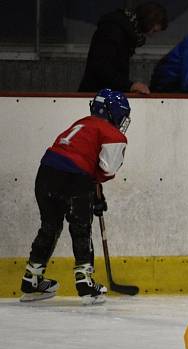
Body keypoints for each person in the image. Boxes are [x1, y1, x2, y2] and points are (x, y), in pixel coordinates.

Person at [19, 89, 131, 305]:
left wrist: (94, 191)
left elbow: (77, 155)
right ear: (114, 112)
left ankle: (31, 280)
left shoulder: (83, 122)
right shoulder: (113, 134)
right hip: (75, 177)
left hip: (46, 171)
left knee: (50, 226)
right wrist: (92, 190)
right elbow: (106, 170)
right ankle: (85, 283)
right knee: (81, 228)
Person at [78, 2, 168, 94]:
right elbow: (101, 66)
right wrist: (129, 86)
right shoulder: (113, 30)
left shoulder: (124, 31)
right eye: (153, 30)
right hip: (96, 95)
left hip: (103, 94)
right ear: (148, 22)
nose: (151, 35)